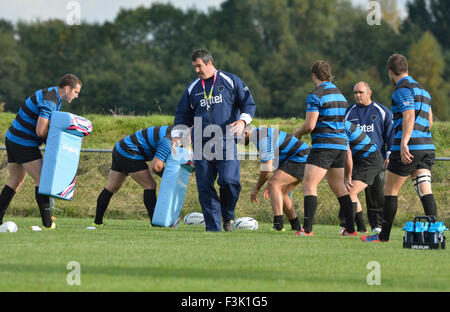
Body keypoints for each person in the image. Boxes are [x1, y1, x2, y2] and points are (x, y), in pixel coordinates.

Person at [171, 49, 256, 232]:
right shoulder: (192, 88)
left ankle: (228, 215)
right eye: (194, 67)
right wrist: (177, 136)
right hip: (201, 143)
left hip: (225, 141)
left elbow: (248, 103)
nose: (196, 70)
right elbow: (182, 115)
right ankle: (213, 229)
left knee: (230, 181)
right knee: (205, 187)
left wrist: (242, 121)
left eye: (199, 66)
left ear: (209, 63)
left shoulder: (229, 80)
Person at [361, 54, 437, 243]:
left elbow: (408, 115)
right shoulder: (423, 90)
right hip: (426, 146)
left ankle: (383, 236)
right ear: (406, 69)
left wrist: (404, 142)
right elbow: (430, 121)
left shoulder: (401, 89)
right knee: (424, 189)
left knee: (390, 190)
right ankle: (434, 234)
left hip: (409, 146)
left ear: (390, 72)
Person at [0, 74, 82, 229]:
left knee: (16, 180)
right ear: (67, 88)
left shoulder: (51, 93)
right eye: (76, 92)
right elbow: (40, 130)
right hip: (23, 142)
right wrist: (57, 143)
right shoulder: (50, 100)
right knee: (42, 179)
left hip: (12, 138)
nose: (76, 96)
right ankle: (47, 223)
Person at [294, 60, 355, 236]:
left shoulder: (316, 95)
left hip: (323, 146)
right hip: (340, 145)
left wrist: (299, 132)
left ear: (314, 75)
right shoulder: (340, 96)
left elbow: (310, 125)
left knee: (309, 184)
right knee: (339, 187)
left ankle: (307, 229)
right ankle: (350, 230)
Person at [93, 126, 174, 226]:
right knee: (150, 185)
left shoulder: (179, 132)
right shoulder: (170, 139)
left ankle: (97, 222)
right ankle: (155, 223)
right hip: (129, 152)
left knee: (111, 187)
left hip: (120, 148)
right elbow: (156, 167)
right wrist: (170, 178)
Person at [343, 81, 394, 233]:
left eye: (361, 92)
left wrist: (389, 154)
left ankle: (376, 225)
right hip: (356, 160)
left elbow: (391, 135)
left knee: (376, 195)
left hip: (375, 159)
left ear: (369, 93)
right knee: (349, 191)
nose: (358, 95)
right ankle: (348, 223)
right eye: (355, 93)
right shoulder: (349, 112)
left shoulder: (381, 111)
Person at [243, 126, 310, 232]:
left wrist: (257, 188)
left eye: (236, 137)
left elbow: (266, 169)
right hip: (300, 156)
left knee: (274, 184)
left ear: (246, 133)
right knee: (281, 191)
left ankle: (278, 226)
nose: (236, 141)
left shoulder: (261, 136)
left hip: (301, 157)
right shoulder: (260, 133)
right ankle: (296, 226)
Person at [341, 120, 384, 234]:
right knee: (351, 193)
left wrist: (348, 177)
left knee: (350, 193)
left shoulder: (341, 127)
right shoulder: (342, 124)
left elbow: (347, 154)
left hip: (370, 160)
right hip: (366, 160)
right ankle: (361, 229)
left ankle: (350, 229)